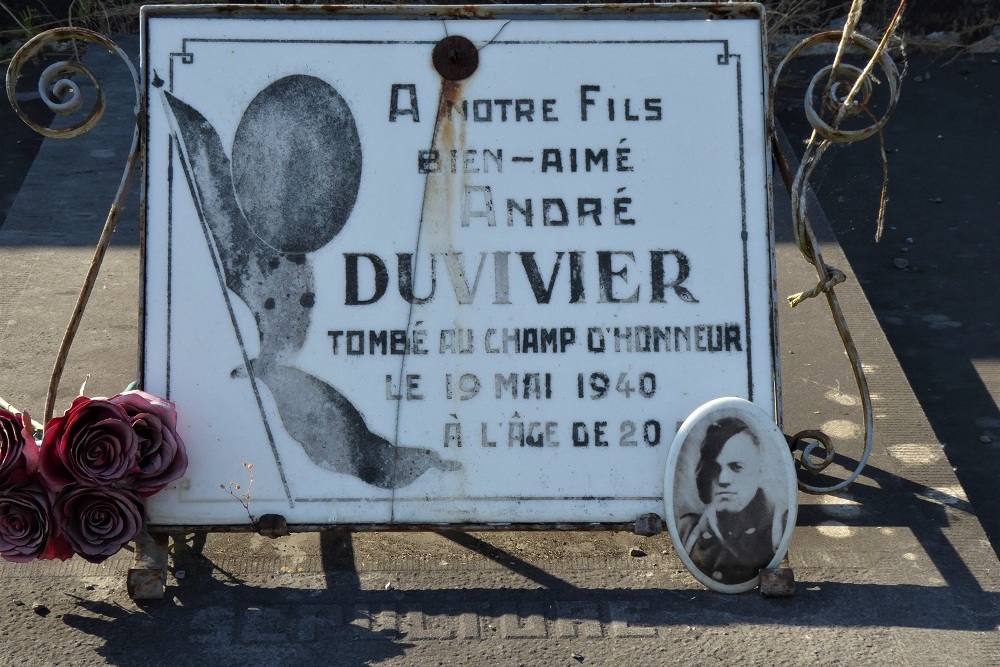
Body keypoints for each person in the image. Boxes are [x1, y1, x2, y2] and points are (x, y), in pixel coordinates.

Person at [677, 416, 786, 585]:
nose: (723, 479)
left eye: (736, 467)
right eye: (715, 468)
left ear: (760, 470)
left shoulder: (778, 528)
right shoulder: (689, 529)